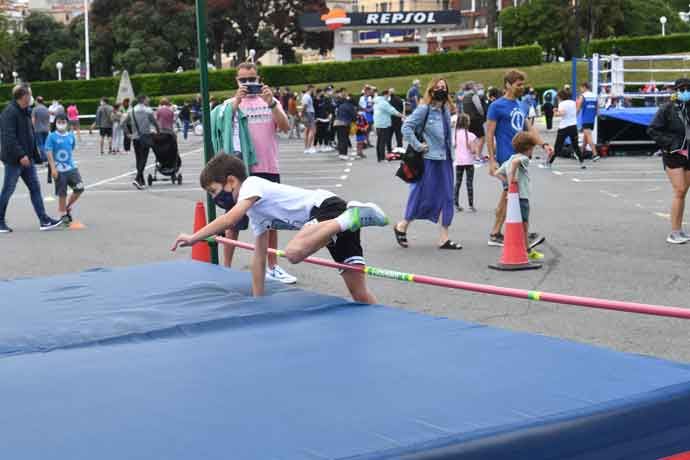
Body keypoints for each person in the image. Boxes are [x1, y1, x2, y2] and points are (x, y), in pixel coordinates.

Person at [171, 154, 389, 303]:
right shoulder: (255, 213)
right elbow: (259, 258)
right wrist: (258, 301)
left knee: (294, 252)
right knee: (359, 293)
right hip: (330, 225)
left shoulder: (252, 185)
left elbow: (229, 220)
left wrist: (194, 238)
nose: (214, 198)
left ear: (231, 181)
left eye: (213, 191)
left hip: (326, 208)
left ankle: (351, 217)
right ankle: (382, 323)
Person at [215, 61, 296, 284]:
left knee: (271, 221)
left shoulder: (270, 100)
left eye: (252, 79)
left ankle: (273, 266)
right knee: (233, 222)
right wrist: (236, 101)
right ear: (236, 81)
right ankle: (226, 268)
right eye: (243, 80)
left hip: (268, 167)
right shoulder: (230, 104)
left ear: (259, 79)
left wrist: (271, 104)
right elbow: (221, 128)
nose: (249, 84)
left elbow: (286, 127)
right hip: (240, 171)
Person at [486, 69, 552, 247]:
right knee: (510, 194)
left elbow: (530, 130)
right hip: (506, 157)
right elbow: (489, 133)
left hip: (521, 156)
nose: (522, 87)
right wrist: (492, 160)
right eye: (518, 84)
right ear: (508, 84)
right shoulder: (496, 106)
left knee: (510, 194)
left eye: (523, 84)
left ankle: (500, 232)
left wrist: (544, 144)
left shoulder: (521, 104)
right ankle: (498, 233)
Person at [394, 78, 461, 250]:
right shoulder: (424, 109)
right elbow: (406, 127)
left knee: (447, 196)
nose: (440, 90)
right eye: (437, 87)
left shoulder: (446, 110)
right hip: (428, 159)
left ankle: (444, 238)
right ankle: (402, 225)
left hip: (445, 158)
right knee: (420, 193)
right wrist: (418, 145)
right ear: (431, 90)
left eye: (443, 87)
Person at [0, 85, 63, 233]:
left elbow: (30, 136)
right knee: (8, 190)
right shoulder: (9, 113)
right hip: (14, 160)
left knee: (35, 188)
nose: (32, 97)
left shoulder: (25, 112)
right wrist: (20, 155)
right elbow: (8, 138)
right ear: (24, 96)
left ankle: (44, 220)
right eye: (30, 94)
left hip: (27, 159)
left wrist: (36, 156)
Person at [647, 77, 690, 244]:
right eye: (682, 88)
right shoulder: (667, 108)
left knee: (684, 192)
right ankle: (674, 232)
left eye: (688, 88)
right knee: (679, 190)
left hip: (688, 154)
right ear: (676, 90)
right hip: (673, 153)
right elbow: (652, 130)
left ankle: (679, 229)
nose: (685, 91)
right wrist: (670, 143)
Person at [495, 132, 543, 261]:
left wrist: (507, 183)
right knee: (524, 224)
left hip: (512, 198)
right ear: (528, 148)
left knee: (516, 223)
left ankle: (522, 246)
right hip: (522, 197)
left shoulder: (509, 159)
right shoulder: (524, 158)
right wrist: (512, 178)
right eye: (532, 148)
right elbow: (517, 162)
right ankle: (527, 249)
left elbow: (497, 173)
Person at [45, 114, 84, 224]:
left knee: (79, 188)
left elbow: (71, 148)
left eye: (63, 121)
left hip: (71, 168)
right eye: (59, 121)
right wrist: (53, 168)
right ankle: (62, 214)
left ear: (67, 123)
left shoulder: (71, 135)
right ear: (55, 123)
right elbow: (48, 152)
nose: (61, 123)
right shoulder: (51, 136)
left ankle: (67, 207)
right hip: (59, 169)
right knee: (62, 193)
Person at [126, 94, 159, 189]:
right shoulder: (148, 110)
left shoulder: (131, 111)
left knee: (138, 158)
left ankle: (141, 180)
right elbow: (155, 122)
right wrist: (158, 131)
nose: (149, 100)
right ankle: (137, 178)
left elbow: (122, 123)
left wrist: (128, 133)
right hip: (145, 136)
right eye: (147, 98)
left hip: (135, 137)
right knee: (144, 158)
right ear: (143, 100)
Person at [549, 89, 584, 169]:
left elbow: (562, 113)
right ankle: (581, 162)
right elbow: (574, 112)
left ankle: (550, 162)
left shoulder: (562, 103)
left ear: (560, 97)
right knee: (575, 146)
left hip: (564, 127)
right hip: (573, 125)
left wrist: (555, 112)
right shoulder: (573, 102)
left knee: (558, 146)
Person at [454, 114, 479, 212]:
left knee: (457, 183)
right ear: (467, 123)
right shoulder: (470, 135)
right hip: (469, 162)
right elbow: (473, 150)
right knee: (469, 183)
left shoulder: (455, 134)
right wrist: (476, 153)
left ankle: (455, 204)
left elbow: (453, 145)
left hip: (459, 162)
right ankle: (471, 205)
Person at [373, 89, 403, 163]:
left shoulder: (377, 101)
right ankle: (382, 158)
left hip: (378, 123)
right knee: (382, 141)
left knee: (379, 141)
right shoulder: (383, 103)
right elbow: (392, 111)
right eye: (388, 95)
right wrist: (402, 116)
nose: (389, 97)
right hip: (384, 124)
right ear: (385, 94)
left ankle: (379, 157)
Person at [461, 81, 486, 158]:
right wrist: (483, 114)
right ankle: (478, 155)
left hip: (468, 119)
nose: (477, 88)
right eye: (475, 86)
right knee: (481, 137)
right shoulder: (473, 96)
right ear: (472, 87)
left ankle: (474, 154)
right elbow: (479, 108)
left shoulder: (464, 97)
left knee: (473, 138)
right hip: (476, 118)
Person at [577, 82, 600, 161]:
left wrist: (574, 117)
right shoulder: (595, 95)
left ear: (584, 87)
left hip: (585, 119)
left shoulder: (583, 96)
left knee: (588, 136)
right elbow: (597, 109)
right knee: (585, 137)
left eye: (581, 88)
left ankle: (595, 154)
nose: (580, 90)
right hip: (592, 119)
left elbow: (578, 108)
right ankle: (580, 153)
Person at [334, 90, 357, 161]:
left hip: (337, 123)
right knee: (345, 139)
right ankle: (344, 154)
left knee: (340, 139)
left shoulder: (341, 105)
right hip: (344, 123)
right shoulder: (350, 106)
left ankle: (341, 154)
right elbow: (354, 117)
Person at [31, 96, 50, 164]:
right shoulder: (46, 109)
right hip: (46, 129)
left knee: (40, 144)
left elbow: (33, 119)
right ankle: (48, 157)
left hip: (38, 129)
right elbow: (48, 119)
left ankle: (44, 158)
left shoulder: (35, 109)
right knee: (45, 144)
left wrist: (32, 128)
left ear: (37, 101)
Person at [302, 85, 316, 154]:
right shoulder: (307, 96)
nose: (314, 91)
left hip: (308, 113)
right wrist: (303, 114)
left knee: (307, 130)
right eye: (313, 89)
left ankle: (306, 147)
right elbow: (305, 106)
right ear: (310, 89)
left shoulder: (306, 96)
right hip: (309, 113)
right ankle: (308, 147)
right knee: (312, 130)